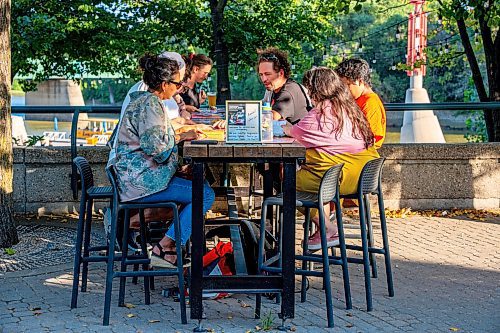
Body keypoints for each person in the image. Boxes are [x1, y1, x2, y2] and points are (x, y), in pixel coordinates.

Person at [113, 53, 215, 268]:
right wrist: (181, 137)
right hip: (141, 182)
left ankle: (175, 245)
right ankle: (166, 246)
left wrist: (179, 138)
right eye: (177, 83)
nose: (179, 87)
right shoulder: (151, 105)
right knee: (205, 194)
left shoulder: (143, 99)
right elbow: (157, 150)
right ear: (163, 83)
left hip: (135, 177)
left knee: (201, 185)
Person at [282, 67, 379, 250]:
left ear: (314, 90)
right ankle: (324, 231)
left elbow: (295, 131)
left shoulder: (321, 114)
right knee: (314, 185)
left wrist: (284, 127)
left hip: (338, 179)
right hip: (363, 178)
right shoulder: (351, 110)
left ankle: (328, 228)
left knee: (289, 182)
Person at [335, 58, 386, 149]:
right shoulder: (359, 100)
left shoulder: (370, 102)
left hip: (363, 154)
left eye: (347, 85)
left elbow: (371, 138)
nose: (344, 90)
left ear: (360, 81)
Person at [257, 47, 312, 124]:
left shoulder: (289, 90)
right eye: (261, 75)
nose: (263, 79)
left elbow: (270, 118)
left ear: (281, 73)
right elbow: (260, 106)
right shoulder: (272, 89)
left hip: (300, 136)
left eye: (267, 74)